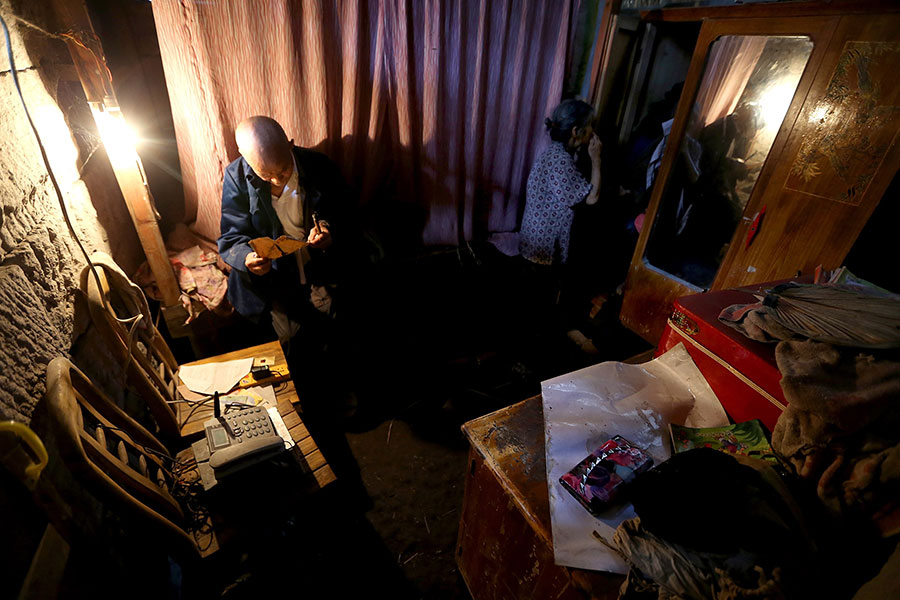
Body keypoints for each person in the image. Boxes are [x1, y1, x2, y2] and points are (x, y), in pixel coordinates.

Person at [218, 115, 350, 363]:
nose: (277, 180)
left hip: (317, 263)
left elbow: (345, 213)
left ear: (290, 144)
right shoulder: (236, 178)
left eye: (283, 171)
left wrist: (328, 230)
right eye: (266, 176)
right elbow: (231, 236)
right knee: (290, 338)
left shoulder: (318, 165)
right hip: (277, 274)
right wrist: (248, 258)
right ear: (244, 157)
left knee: (336, 316)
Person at [518, 99, 602, 353]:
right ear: (576, 131)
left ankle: (544, 338)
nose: (593, 133)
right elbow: (592, 198)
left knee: (540, 300)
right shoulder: (560, 161)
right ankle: (538, 348)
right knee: (541, 302)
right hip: (543, 247)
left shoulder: (556, 154)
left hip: (537, 241)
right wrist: (597, 160)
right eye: (590, 127)